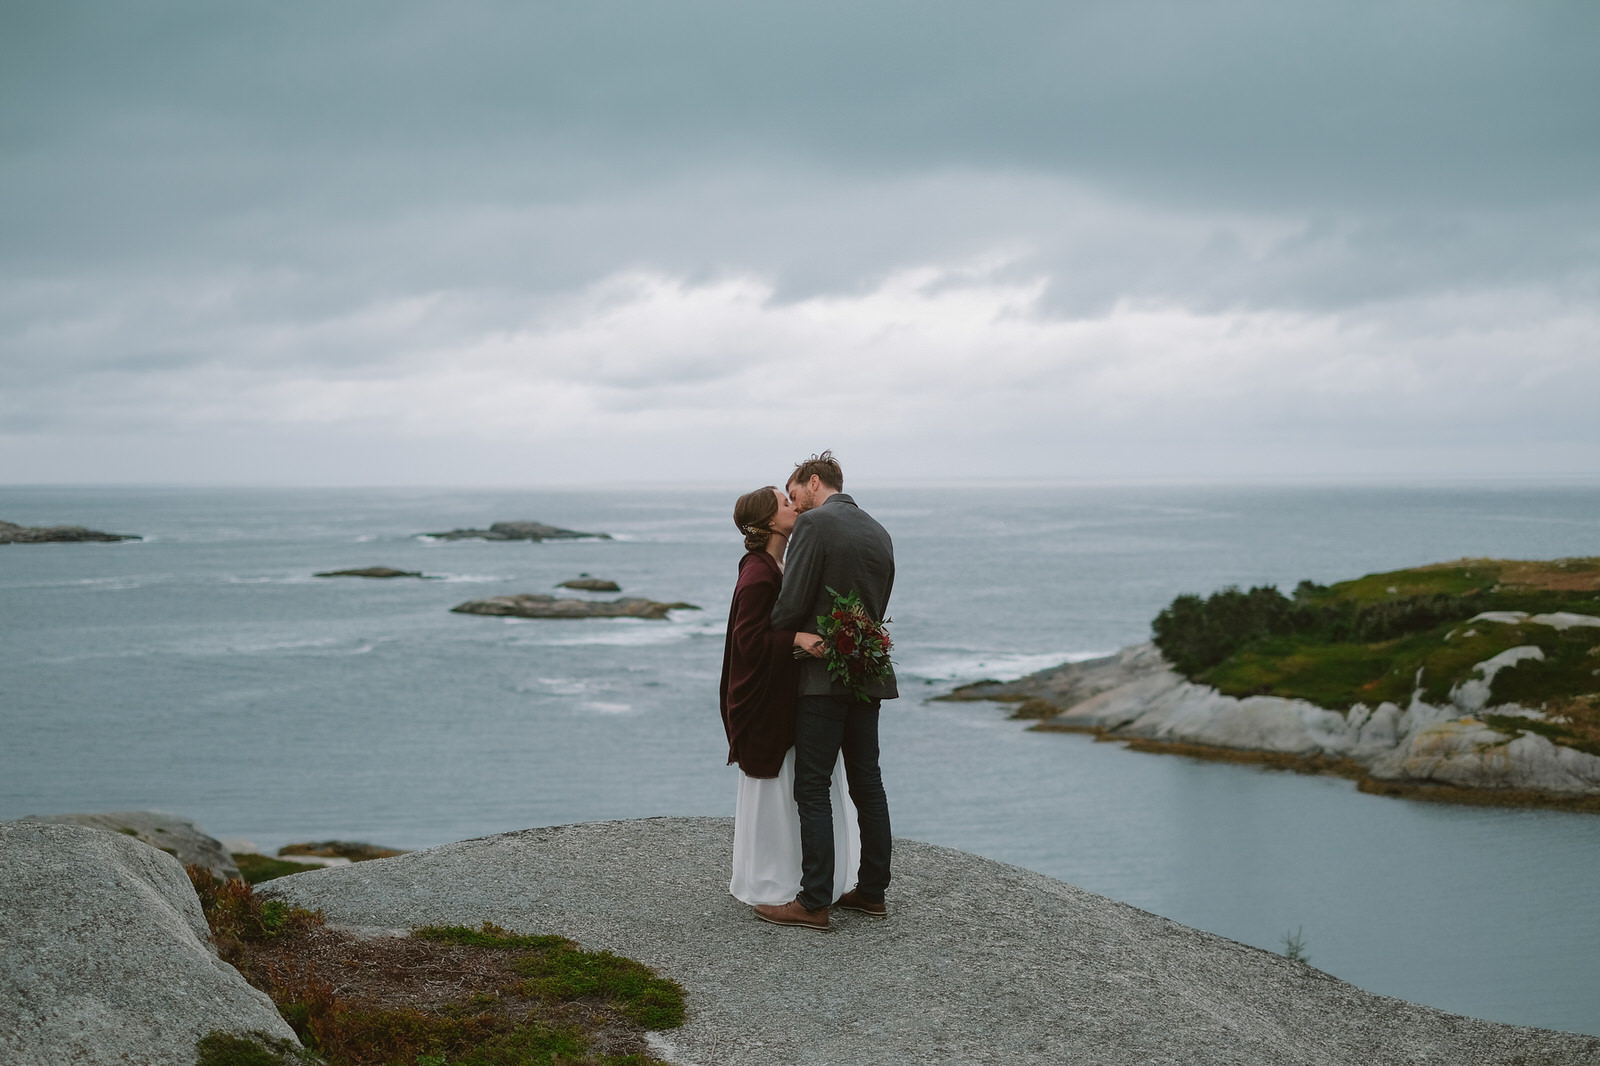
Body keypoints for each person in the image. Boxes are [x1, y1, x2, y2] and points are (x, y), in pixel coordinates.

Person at [755, 451, 896, 931]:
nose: (795, 505)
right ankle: (873, 892)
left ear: (813, 483)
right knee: (867, 781)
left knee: (811, 786)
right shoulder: (880, 531)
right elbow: (878, 606)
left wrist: (772, 632)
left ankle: (813, 901)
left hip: (821, 678)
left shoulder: (815, 526)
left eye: (794, 494)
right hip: (868, 673)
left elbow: (791, 602)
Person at [719, 485, 861, 912]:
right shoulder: (759, 573)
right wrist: (795, 637)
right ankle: (773, 884)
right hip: (766, 704)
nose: (793, 505)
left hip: (786, 697)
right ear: (765, 522)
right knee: (779, 792)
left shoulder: (777, 565)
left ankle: (805, 882)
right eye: (785, 503)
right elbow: (747, 642)